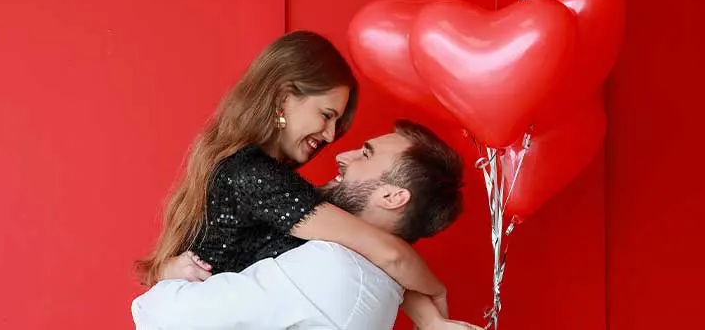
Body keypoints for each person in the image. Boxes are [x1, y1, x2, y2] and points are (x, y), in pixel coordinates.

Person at [134, 31, 454, 321]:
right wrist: (437, 297)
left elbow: (376, 250)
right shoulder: (254, 176)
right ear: (284, 97)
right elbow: (389, 253)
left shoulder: (263, 178)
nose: (330, 136)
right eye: (326, 116)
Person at [132, 121, 473, 329]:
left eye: (366, 155)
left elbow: (161, 316)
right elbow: (391, 255)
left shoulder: (329, 268)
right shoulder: (386, 284)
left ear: (392, 197)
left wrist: (167, 278)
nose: (342, 154)